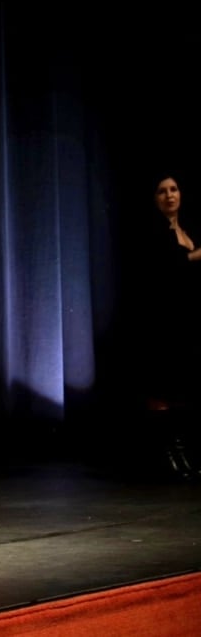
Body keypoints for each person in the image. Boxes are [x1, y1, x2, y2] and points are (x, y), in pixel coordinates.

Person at [142, 175, 201, 477]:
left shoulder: (188, 228)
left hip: (186, 320)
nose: (169, 196)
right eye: (162, 191)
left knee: (182, 388)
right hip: (162, 321)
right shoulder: (153, 232)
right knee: (162, 388)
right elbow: (165, 270)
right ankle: (168, 455)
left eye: (174, 189)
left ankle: (182, 452)